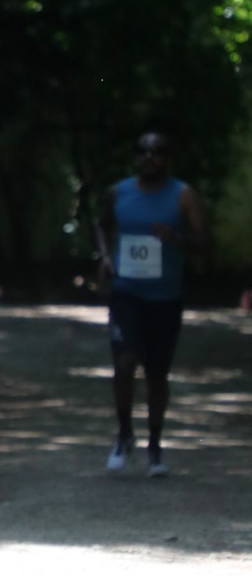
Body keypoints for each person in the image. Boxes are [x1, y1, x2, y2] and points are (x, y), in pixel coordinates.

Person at [96, 131, 207, 477]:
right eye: (143, 151)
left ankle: (155, 446)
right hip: (126, 293)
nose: (149, 156)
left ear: (168, 158)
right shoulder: (118, 192)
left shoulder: (183, 195)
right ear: (135, 157)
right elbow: (101, 225)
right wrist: (104, 256)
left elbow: (205, 240)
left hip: (165, 298)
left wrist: (177, 237)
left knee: (157, 373)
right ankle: (124, 433)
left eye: (157, 151)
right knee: (124, 362)